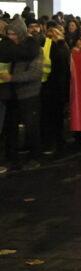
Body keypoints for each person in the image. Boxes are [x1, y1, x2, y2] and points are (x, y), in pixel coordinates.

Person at [0, 18, 43, 171]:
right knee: (10, 128)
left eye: (13, 34)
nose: (11, 37)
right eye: (8, 34)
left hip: (29, 93)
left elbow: (35, 73)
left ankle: (35, 157)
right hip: (12, 94)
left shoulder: (33, 48)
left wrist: (13, 78)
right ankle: (12, 158)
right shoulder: (9, 48)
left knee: (31, 127)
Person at [40, 24, 71, 156]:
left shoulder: (53, 50)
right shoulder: (64, 48)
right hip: (60, 88)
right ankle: (59, 142)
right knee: (57, 118)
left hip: (52, 88)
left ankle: (52, 143)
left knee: (51, 118)